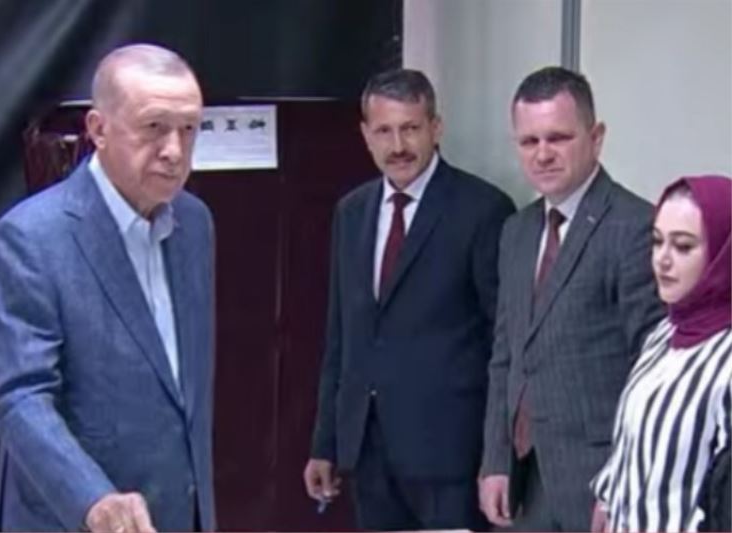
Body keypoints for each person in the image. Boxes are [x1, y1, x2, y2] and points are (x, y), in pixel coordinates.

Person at [0, 44, 216, 532]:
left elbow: (180, 389)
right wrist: (92, 499)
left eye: (189, 129)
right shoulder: (31, 237)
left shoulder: (195, 224)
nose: (174, 151)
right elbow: (20, 399)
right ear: (99, 129)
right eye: (154, 127)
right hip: (75, 517)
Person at [302, 68, 515, 530]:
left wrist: (497, 454)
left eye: (410, 128)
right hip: (368, 454)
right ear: (366, 135)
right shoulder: (351, 212)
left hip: (450, 457)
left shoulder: (483, 210)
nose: (398, 145)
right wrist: (326, 443)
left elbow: (504, 343)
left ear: (436, 128)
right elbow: (341, 336)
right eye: (384, 131)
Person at [479, 66, 665, 531]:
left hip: (598, 481)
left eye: (558, 138)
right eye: (529, 141)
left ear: (596, 138)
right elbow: (505, 356)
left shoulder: (636, 227)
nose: (542, 154)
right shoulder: (516, 231)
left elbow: (653, 373)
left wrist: (622, 483)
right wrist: (495, 460)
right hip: (525, 481)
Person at [591, 175, 732, 532]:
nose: (662, 260)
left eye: (683, 247)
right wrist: (608, 496)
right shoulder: (665, 331)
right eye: (657, 242)